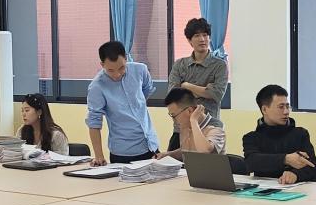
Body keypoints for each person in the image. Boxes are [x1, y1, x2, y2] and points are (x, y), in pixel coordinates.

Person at [86, 41, 160, 166]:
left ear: (126, 58)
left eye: (121, 68)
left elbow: (146, 90)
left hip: (150, 145)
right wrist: (99, 156)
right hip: (123, 152)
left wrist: (134, 106)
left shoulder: (140, 70)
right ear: (102, 65)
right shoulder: (97, 87)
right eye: (111, 70)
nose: (117, 74)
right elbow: (94, 123)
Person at [166, 17, 228, 150]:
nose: (202, 39)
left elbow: (216, 94)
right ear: (189, 40)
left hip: (208, 128)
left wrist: (186, 86)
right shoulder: (180, 65)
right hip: (181, 129)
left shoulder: (219, 65)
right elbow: (173, 94)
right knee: (170, 161)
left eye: (205, 35)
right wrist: (205, 90)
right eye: (197, 36)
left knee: (202, 162)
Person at [242, 85, 316, 185]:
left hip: (296, 189)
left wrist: (295, 174)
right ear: (264, 109)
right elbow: (251, 162)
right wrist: (285, 159)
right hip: (264, 189)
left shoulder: (300, 134)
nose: (286, 112)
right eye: (281, 107)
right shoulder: (251, 138)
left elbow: (312, 167)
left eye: (287, 106)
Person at [159, 88, 226, 160]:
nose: (174, 120)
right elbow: (186, 151)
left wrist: (194, 121)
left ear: (189, 110)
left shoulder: (216, 126)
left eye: (174, 115)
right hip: (189, 167)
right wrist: (168, 154)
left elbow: (205, 151)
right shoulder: (185, 126)